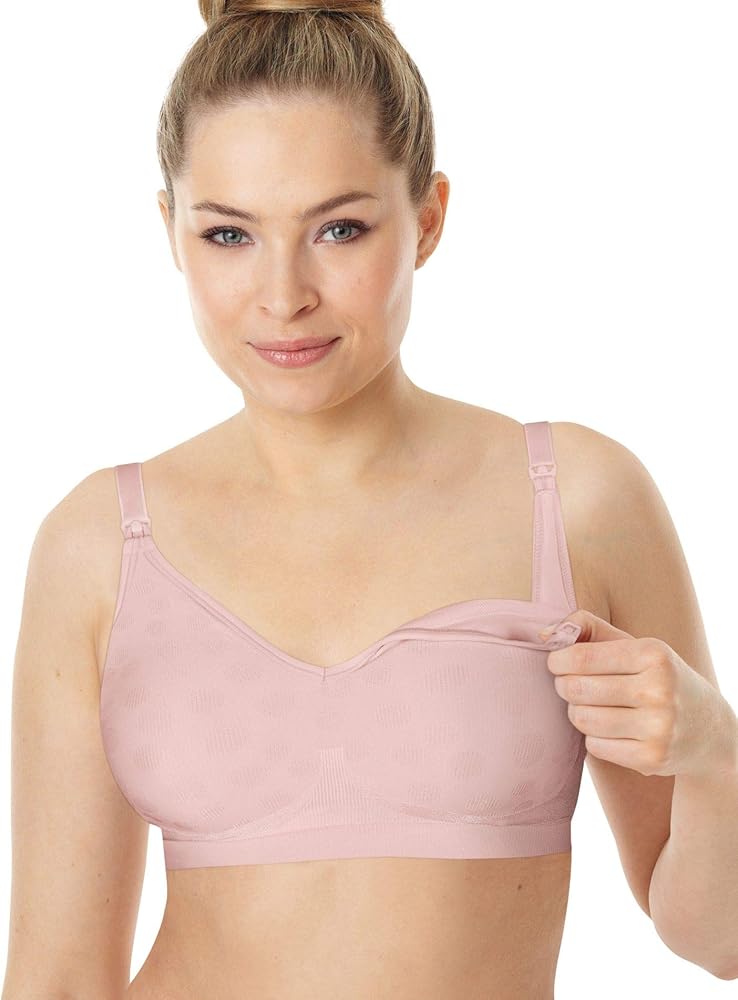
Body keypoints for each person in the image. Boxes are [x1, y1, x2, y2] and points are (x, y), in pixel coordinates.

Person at [6, 2, 737, 998]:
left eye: (339, 229)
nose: (283, 295)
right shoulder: (98, 544)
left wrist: (715, 752)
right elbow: (55, 976)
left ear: (429, 217)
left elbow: (716, 938)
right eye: (228, 234)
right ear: (170, 230)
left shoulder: (576, 500)